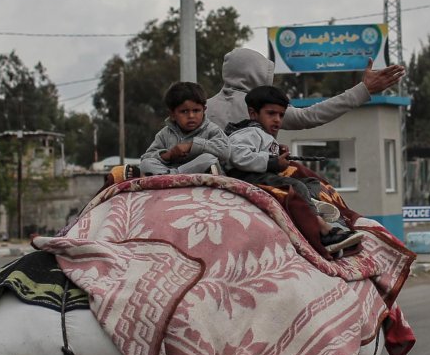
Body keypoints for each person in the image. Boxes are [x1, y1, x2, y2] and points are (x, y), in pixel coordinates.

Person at [223, 84, 363, 255]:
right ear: (253, 113)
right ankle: (323, 231)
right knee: (296, 186)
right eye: (271, 113)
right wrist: (272, 163)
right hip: (248, 178)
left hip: (263, 176)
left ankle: (313, 208)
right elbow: (237, 155)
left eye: (281, 115)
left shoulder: (264, 135)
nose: (277, 120)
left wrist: (276, 154)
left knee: (312, 183)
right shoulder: (247, 132)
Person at [205, 47, 404, 132]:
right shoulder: (261, 106)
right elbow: (309, 117)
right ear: (256, 74)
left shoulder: (203, 108)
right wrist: (363, 90)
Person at [138, 81, 229, 177]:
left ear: (204, 110)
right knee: (146, 164)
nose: (191, 116)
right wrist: (168, 155)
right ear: (172, 115)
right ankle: (173, 176)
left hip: (196, 172)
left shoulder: (212, 129)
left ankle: (173, 176)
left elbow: (225, 151)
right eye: (184, 111)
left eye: (196, 110)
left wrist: (192, 146)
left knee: (209, 159)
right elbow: (146, 157)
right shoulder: (165, 134)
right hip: (168, 170)